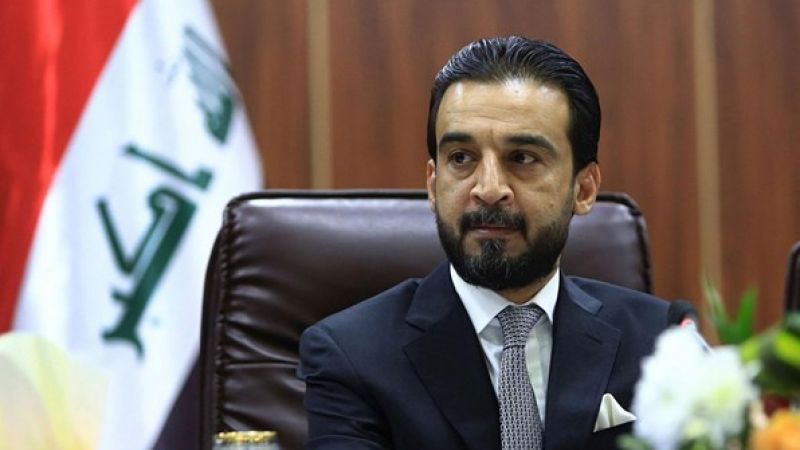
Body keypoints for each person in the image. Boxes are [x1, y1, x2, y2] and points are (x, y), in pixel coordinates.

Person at [298, 36, 669, 450]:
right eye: (461, 158)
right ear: (433, 184)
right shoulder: (351, 355)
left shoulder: (663, 343)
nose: (489, 189)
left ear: (583, 189)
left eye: (522, 157)